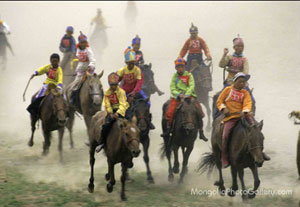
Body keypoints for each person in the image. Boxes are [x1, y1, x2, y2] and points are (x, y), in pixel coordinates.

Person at [217, 72, 270, 168]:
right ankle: (224, 157)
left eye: (243, 82)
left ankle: (261, 153)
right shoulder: (227, 90)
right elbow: (219, 101)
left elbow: (248, 103)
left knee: (257, 130)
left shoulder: (245, 93)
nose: (242, 84)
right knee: (225, 136)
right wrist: (223, 108)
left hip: (244, 116)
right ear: (235, 81)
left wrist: (245, 111)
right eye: (240, 82)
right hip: (231, 117)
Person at [162, 58, 208, 141]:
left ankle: (201, 131)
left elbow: (191, 86)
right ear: (176, 68)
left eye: (182, 67)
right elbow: (172, 87)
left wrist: (187, 95)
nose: (180, 69)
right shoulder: (174, 76)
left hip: (189, 96)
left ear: (184, 67)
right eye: (178, 67)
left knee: (199, 110)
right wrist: (179, 95)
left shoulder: (189, 75)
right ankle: (168, 129)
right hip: (178, 97)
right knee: (170, 111)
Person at [117, 47, 155, 129]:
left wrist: (134, 93)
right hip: (125, 92)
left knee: (147, 103)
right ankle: (119, 121)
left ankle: (148, 121)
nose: (131, 65)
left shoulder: (137, 70)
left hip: (137, 92)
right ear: (126, 63)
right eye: (129, 63)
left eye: (132, 63)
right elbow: (117, 79)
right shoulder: (122, 70)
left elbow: (139, 83)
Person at [96, 72, 130, 152]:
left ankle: (134, 142)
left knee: (130, 124)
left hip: (122, 110)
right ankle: (101, 143)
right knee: (105, 126)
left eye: (115, 84)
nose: (113, 86)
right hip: (112, 111)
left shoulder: (121, 92)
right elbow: (106, 104)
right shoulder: (107, 92)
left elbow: (123, 104)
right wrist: (110, 113)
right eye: (112, 85)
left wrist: (118, 113)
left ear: (117, 84)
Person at [69, 31, 96, 100]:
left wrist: (90, 67)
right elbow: (78, 59)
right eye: (81, 42)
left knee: (92, 82)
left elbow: (92, 60)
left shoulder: (88, 51)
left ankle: (96, 97)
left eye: (84, 42)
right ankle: (72, 96)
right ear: (79, 43)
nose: (83, 44)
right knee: (77, 81)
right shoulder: (77, 49)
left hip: (89, 69)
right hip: (81, 68)